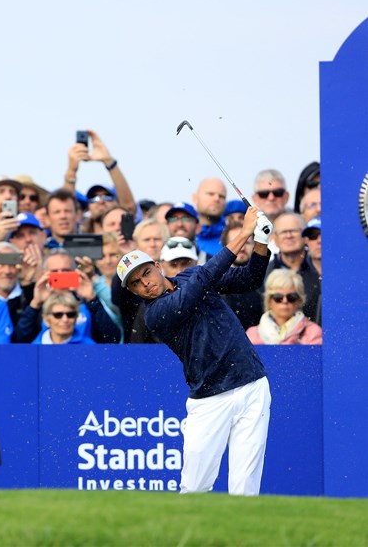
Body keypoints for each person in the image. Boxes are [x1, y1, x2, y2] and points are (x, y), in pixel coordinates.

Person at [119, 206, 272, 495]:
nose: (146, 283)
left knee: (245, 487)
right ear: (133, 292)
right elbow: (199, 287)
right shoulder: (155, 315)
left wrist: (261, 240)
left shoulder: (190, 276)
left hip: (252, 383)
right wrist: (242, 234)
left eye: (146, 273)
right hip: (209, 398)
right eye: (136, 283)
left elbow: (249, 279)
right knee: (195, 487)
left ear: (158, 266)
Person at [265, 212, 320, 323]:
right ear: (274, 238)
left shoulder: (319, 268)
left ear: (305, 237)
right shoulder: (264, 272)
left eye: (294, 231)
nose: (289, 235)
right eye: (283, 232)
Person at [246, 269, 322, 345]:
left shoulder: (314, 333)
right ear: (269, 300)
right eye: (278, 297)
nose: (285, 301)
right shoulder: (252, 335)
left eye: (291, 297)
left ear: (299, 300)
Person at [219, 221, 264, 331]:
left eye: (247, 243)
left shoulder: (266, 279)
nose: (242, 248)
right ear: (225, 247)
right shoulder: (214, 281)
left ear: (255, 245)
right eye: (237, 242)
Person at [192, 178, 228, 257]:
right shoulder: (182, 231)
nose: (216, 199)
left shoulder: (232, 234)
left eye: (222, 196)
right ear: (195, 198)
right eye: (211, 194)